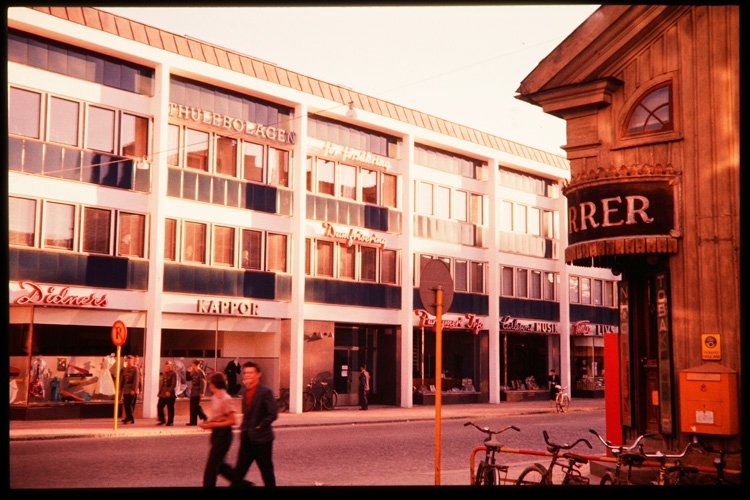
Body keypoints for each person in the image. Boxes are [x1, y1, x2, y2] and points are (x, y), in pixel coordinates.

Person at [220, 361, 278, 487]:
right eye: (246, 373)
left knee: (266, 471)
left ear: (258, 374)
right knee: (238, 473)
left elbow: (272, 413)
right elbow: (246, 414)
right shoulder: (245, 392)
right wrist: (244, 427)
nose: (248, 375)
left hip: (262, 439)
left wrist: (260, 425)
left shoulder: (265, 391)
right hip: (247, 438)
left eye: (251, 373)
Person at [200, 372, 237, 487]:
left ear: (214, 384)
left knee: (211, 467)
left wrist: (214, 424)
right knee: (220, 466)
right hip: (216, 434)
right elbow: (215, 416)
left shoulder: (226, 398)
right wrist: (208, 423)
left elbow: (233, 421)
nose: (210, 385)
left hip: (224, 435)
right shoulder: (215, 397)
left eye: (210, 382)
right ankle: (243, 483)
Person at [186, 359, 208, 425]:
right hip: (193, 390)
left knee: (196, 405)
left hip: (198, 390)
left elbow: (203, 382)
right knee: (192, 406)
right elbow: (188, 379)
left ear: (196, 364)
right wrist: (188, 372)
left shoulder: (200, 372)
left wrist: (202, 392)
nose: (191, 365)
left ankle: (204, 416)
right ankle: (193, 422)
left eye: (192, 364)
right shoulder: (193, 371)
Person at [120, 355, 140, 424]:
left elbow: (136, 380)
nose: (128, 362)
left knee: (130, 404)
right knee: (126, 404)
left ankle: (130, 417)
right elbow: (122, 379)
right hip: (126, 388)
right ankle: (128, 417)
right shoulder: (125, 369)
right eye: (127, 360)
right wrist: (120, 388)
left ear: (133, 361)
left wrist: (134, 389)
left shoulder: (135, 369)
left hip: (132, 388)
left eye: (130, 360)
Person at [156, 360, 177, 426]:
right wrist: (159, 392)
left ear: (171, 366)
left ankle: (170, 421)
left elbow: (173, 384)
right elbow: (162, 384)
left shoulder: (173, 374)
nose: (168, 367)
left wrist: (169, 391)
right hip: (163, 393)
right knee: (159, 406)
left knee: (170, 408)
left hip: (170, 394)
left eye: (169, 366)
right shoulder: (165, 373)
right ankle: (162, 420)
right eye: (166, 366)